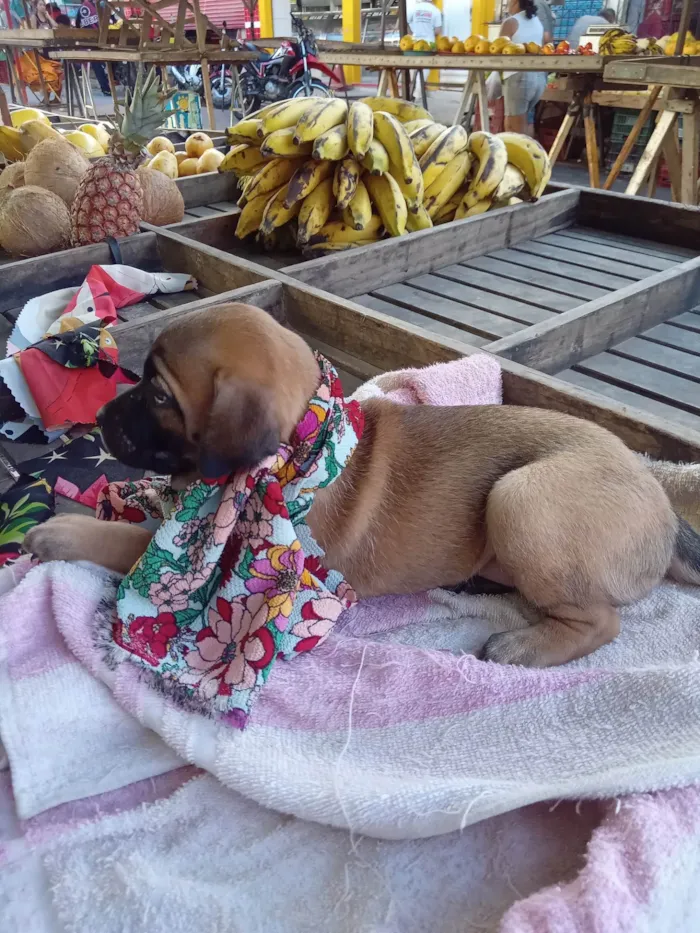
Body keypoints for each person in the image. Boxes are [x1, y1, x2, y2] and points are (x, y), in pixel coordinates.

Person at [499, 0, 545, 135]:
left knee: (513, 126)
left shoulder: (511, 22)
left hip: (519, 78)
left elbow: (498, 49)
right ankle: (529, 154)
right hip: (538, 78)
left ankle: (516, 156)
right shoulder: (537, 22)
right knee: (527, 122)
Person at [75, 1, 112, 96]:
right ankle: (106, 87)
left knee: (99, 63)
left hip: (98, 40)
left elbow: (77, 25)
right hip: (93, 42)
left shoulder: (101, 6)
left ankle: (106, 87)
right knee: (97, 63)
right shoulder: (89, 7)